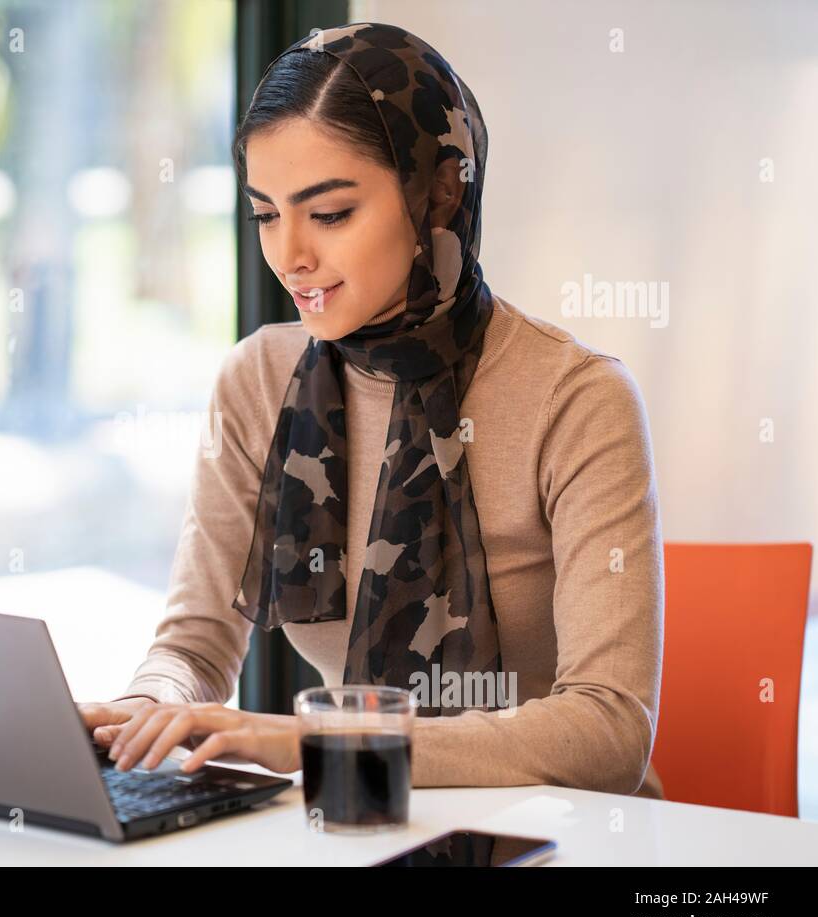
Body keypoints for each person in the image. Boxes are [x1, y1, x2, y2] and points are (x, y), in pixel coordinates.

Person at [78, 22, 664, 798]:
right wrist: (145, 709)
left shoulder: (578, 399)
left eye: (329, 214)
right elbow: (194, 644)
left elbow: (608, 730)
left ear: (440, 191)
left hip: (560, 836)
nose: (289, 255)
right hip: (355, 825)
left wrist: (322, 740)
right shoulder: (259, 379)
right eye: (264, 215)